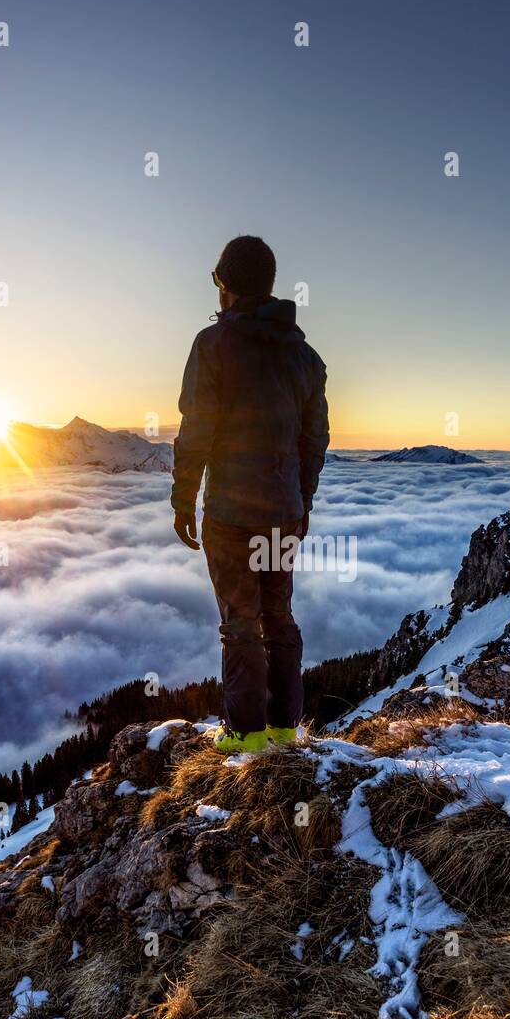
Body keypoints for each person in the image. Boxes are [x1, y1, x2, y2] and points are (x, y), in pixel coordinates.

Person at [171, 236, 329, 754]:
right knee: (278, 616)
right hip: (283, 512)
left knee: (240, 624)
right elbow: (314, 441)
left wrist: (183, 498)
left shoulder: (213, 346)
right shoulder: (306, 358)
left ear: (228, 285)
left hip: (231, 514)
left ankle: (245, 733)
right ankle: (284, 728)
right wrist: (302, 502)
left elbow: (197, 429)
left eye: (217, 280)